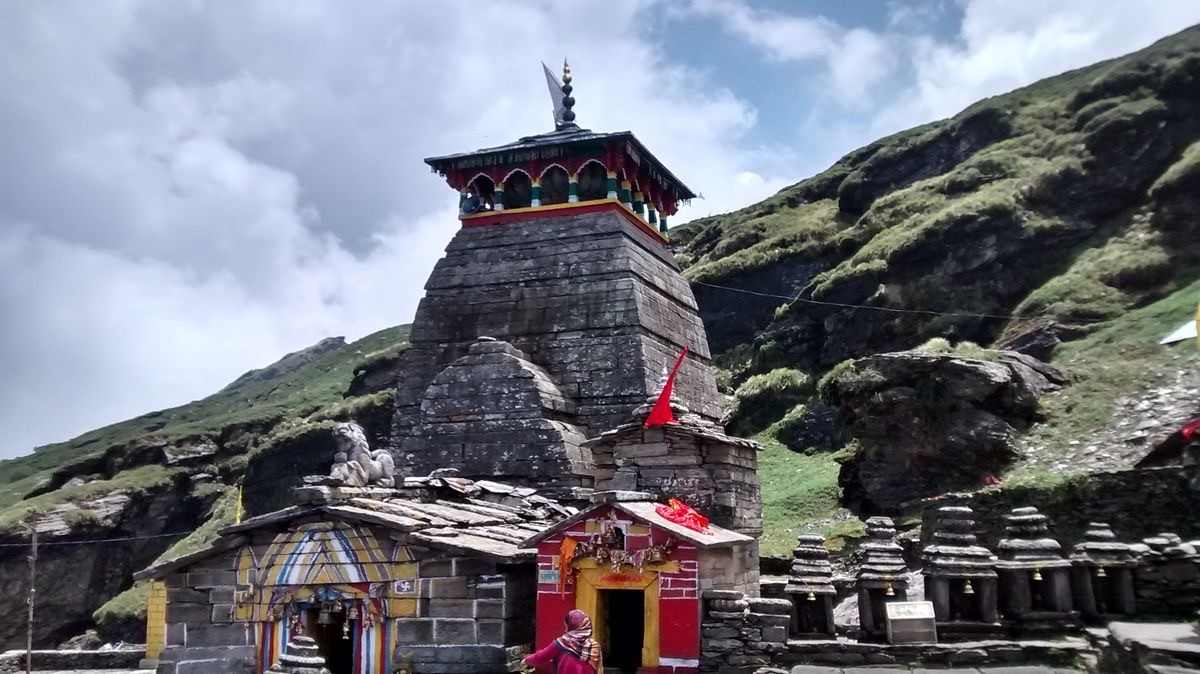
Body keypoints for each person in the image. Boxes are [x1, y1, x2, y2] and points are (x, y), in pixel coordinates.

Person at [523, 609, 603, 674]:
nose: (565, 630)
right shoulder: (594, 646)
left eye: (567, 626)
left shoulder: (562, 643)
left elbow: (541, 657)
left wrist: (526, 660)